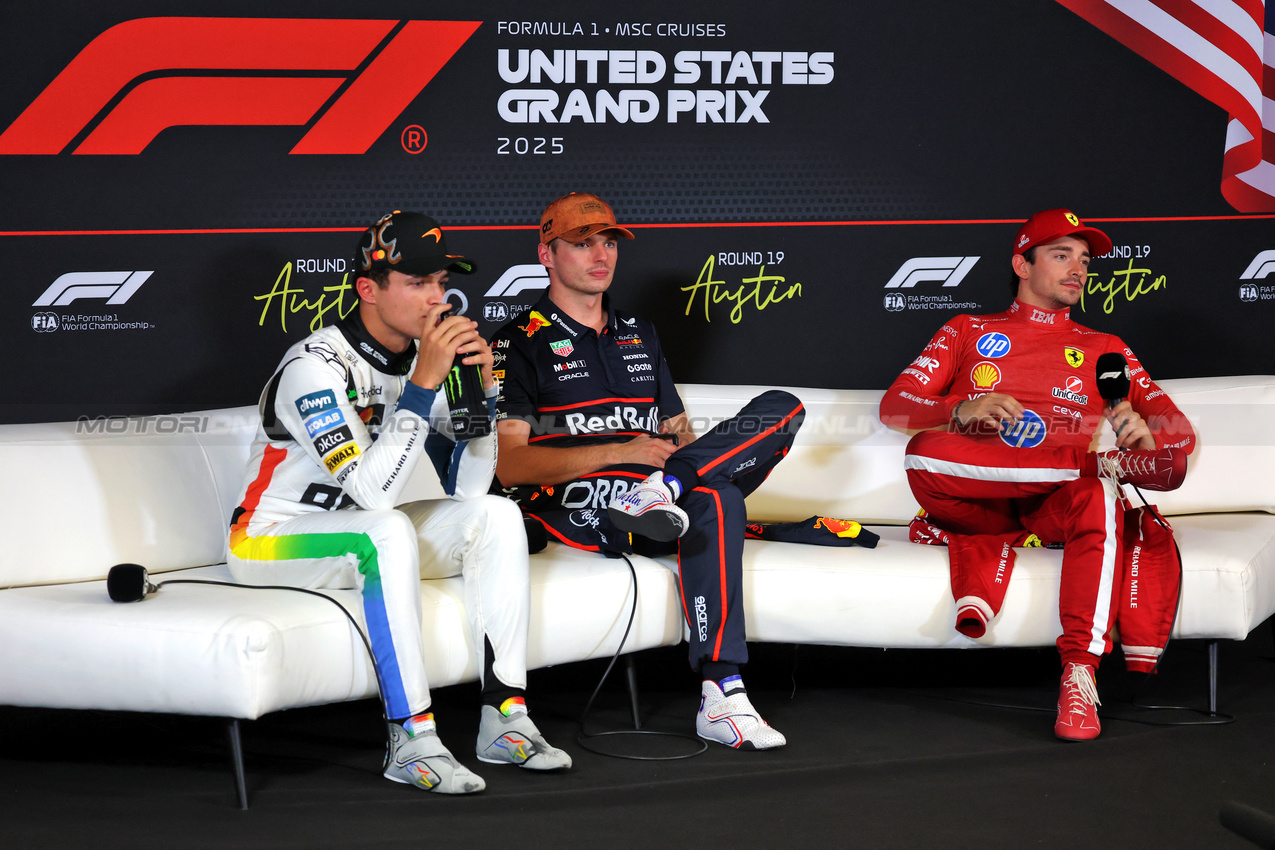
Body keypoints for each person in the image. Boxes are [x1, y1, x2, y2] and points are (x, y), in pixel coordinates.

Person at [227, 210, 570, 795]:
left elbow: (470, 488)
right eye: (417, 283)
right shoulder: (314, 366)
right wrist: (423, 386)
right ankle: (411, 740)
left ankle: (504, 718)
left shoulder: (421, 362)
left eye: (441, 282)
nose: (438, 298)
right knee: (383, 530)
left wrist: (482, 396)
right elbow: (372, 493)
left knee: (497, 514)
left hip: (358, 531)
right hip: (267, 540)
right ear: (369, 289)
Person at [490, 193, 804, 750]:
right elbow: (510, 464)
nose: (600, 255)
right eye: (582, 243)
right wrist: (619, 453)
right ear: (546, 253)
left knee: (783, 408)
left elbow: (680, 433)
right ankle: (722, 692)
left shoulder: (639, 330)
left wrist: (678, 464)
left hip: (663, 497)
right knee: (719, 500)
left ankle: (667, 488)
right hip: (590, 509)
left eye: (608, 242)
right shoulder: (516, 342)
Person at [879, 208, 1196, 741]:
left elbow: (1178, 437)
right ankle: (1098, 465)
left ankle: (1079, 677)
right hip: (975, 503)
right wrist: (961, 407)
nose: (1078, 269)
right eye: (1061, 255)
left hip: (1051, 508)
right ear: (1021, 266)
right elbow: (894, 407)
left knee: (1097, 495)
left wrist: (1147, 435)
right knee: (923, 453)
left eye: (1085, 260)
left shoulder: (1106, 348)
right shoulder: (967, 329)